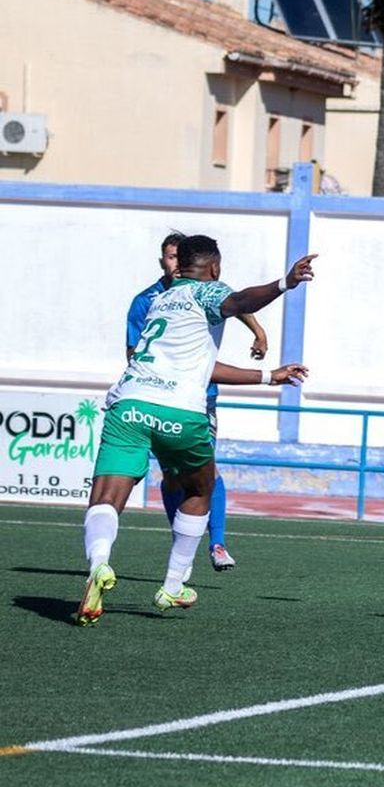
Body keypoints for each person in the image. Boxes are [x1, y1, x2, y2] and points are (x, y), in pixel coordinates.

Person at [77, 236, 315, 626]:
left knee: (106, 495)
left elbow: (204, 365)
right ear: (214, 268)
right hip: (179, 412)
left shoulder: (159, 301)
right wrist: (284, 283)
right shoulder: (208, 292)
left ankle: (98, 565)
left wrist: (269, 376)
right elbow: (240, 302)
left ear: (177, 264)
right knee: (200, 488)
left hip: (128, 404)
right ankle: (173, 585)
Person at [126, 230, 271, 572]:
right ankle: (182, 543)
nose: (176, 263)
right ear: (162, 260)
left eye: (181, 256)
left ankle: (217, 543)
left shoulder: (206, 290)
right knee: (174, 477)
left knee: (207, 470)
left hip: (200, 399)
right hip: (160, 397)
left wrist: (258, 331)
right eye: (170, 257)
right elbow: (134, 353)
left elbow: (233, 302)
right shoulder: (147, 300)